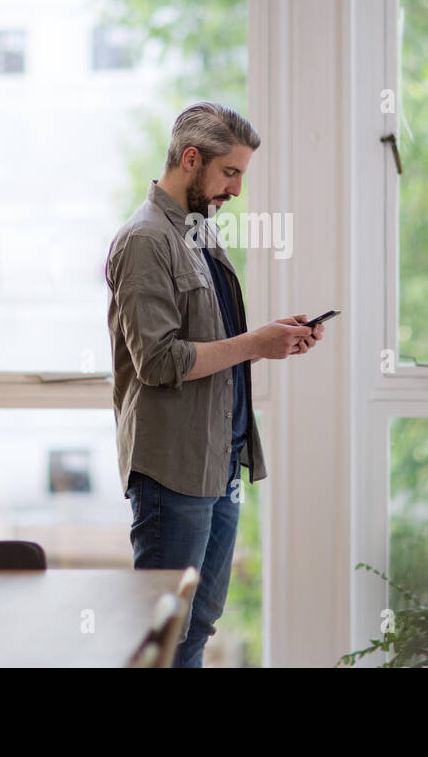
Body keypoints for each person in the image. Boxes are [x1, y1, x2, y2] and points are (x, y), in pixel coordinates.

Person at [105, 101, 325, 667]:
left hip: (219, 461)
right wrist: (257, 343)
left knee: (198, 625)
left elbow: (211, 342)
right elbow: (157, 360)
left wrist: (276, 337)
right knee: (163, 635)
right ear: (191, 158)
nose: (237, 189)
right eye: (231, 173)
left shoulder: (198, 234)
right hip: (173, 469)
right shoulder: (145, 240)